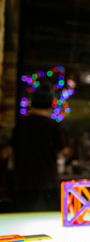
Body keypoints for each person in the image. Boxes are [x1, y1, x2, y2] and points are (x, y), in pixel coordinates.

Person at [12, 80, 67, 211]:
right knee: (51, 218)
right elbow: (64, 151)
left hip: (23, 180)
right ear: (50, 104)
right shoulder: (54, 126)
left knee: (21, 217)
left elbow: (11, 149)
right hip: (47, 181)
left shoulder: (21, 125)